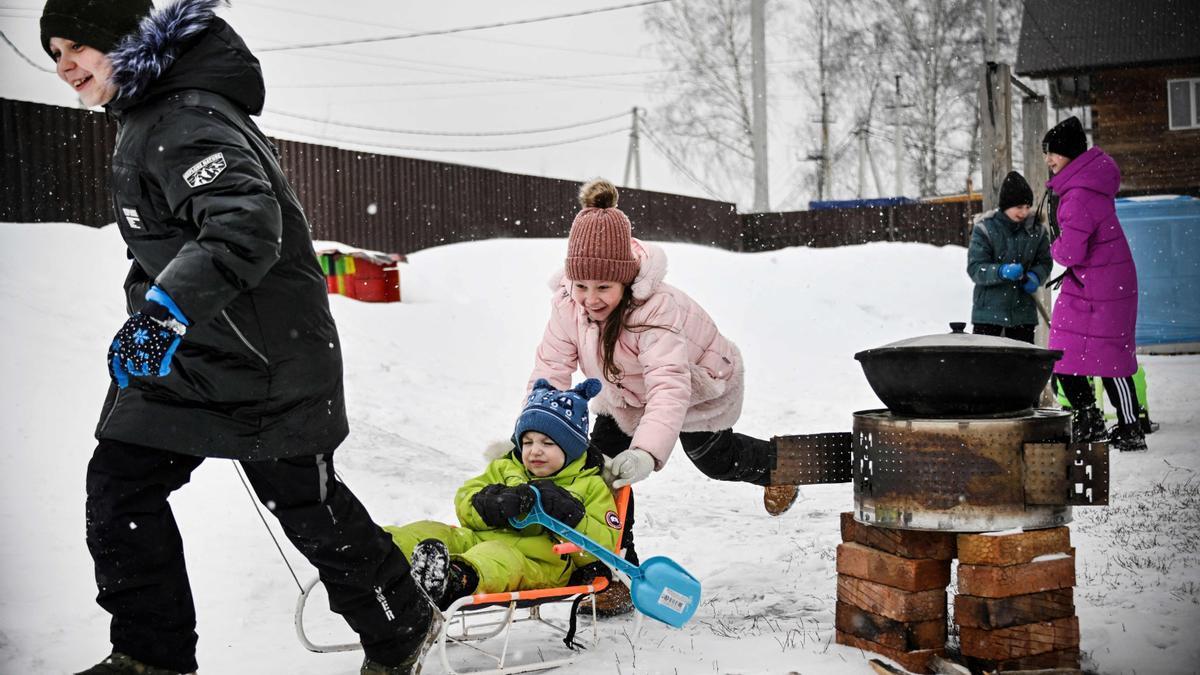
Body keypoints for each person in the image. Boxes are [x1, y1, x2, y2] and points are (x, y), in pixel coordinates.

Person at [40, 0, 436, 673]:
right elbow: (166, 245)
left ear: (123, 38)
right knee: (119, 485)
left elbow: (243, 225)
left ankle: (402, 624)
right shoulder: (148, 116)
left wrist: (163, 313)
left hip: (266, 355)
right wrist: (152, 313)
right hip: (195, 354)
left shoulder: (182, 117)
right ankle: (149, 655)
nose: (65, 65)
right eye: (53, 53)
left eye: (78, 44)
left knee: (306, 505)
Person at [527, 178, 799, 615]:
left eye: (603, 288)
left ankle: (776, 468)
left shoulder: (656, 308)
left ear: (625, 280)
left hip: (699, 386)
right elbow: (551, 369)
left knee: (714, 459)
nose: (590, 299)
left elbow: (670, 386)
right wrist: (537, 429)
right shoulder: (568, 304)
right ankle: (616, 574)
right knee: (598, 476)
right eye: (581, 286)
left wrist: (647, 453)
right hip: (623, 396)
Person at [386, 379, 619, 611]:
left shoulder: (590, 486)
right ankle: (378, 552)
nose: (534, 450)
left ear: (572, 448)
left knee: (496, 556)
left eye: (547, 443)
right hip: (479, 539)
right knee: (434, 531)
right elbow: (465, 500)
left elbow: (604, 548)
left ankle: (455, 579)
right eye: (527, 442)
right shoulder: (505, 468)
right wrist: (490, 503)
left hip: (538, 560)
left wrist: (569, 514)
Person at [1042, 116, 1147, 452]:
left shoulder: (1078, 195)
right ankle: (1106, 422)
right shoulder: (1085, 185)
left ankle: (1107, 422)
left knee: (1103, 355)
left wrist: (1052, 246)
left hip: (1100, 286)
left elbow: (1071, 251)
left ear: (1070, 154)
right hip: (1099, 282)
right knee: (1081, 354)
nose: (1049, 160)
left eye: (1053, 153)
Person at [967, 171, 1053, 344]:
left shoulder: (1036, 231)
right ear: (1006, 206)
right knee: (986, 365)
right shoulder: (985, 230)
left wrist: (1036, 276)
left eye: (1027, 207)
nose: (1024, 212)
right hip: (988, 315)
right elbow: (976, 268)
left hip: (1023, 315)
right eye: (1019, 207)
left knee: (1021, 366)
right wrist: (1001, 271)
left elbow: (1044, 261)